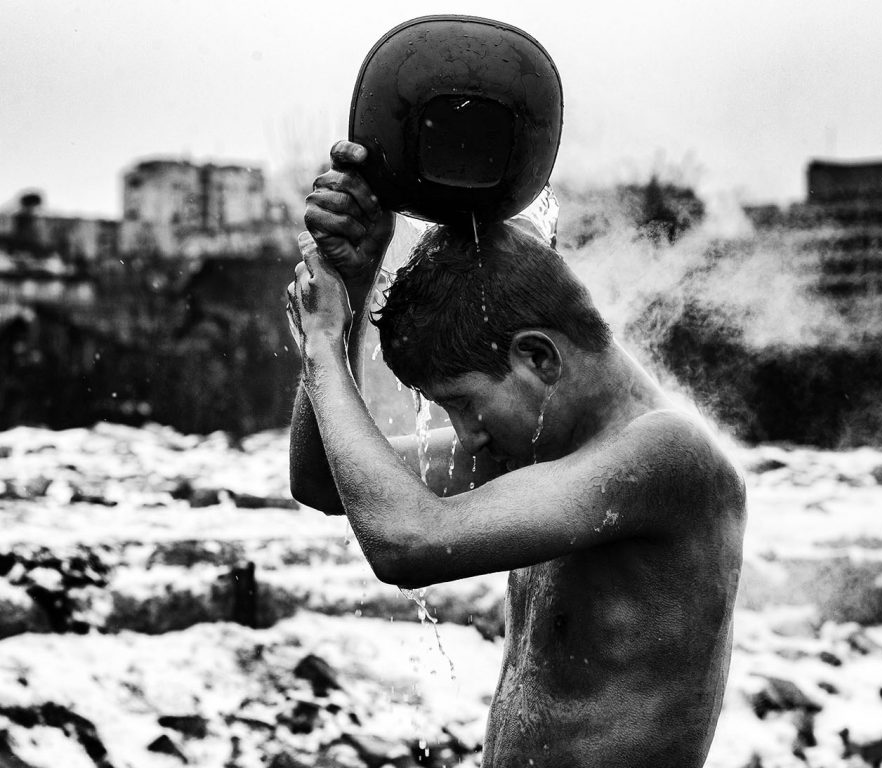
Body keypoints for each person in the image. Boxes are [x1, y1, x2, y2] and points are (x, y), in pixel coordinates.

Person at [287, 140, 747, 767]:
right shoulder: (537, 446)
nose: (466, 434)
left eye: (463, 403)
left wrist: (321, 347)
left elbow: (407, 544)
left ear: (537, 357)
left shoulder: (667, 455)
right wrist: (353, 283)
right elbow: (320, 482)